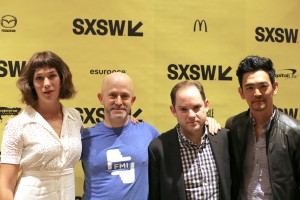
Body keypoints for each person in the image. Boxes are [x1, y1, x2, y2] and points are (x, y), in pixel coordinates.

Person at [0, 51, 82, 200]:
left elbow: (97, 137)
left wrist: (126, 121)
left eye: (52, 75)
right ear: (31, 84)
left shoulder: (75, 118)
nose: (46, 83)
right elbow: (5, 183)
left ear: (62, 79)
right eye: (39, 78)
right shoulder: (17, 125)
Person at [225, 55, 300, 199]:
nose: (257, 93)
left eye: (263, 86)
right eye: (250, 88)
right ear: (241, 92)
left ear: (275, 87)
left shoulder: (294, 132)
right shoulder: (234, 126)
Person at [80, 72, 160, 200]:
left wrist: (203, 126)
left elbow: (176, 148)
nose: (118, 102)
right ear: (101, 98)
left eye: (124, 96)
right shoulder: (85, 137)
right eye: (112, 95)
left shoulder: (148, 132)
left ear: (132, 100)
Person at [148, 80, 231, 200]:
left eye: (196, 107)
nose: (191, 115)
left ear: (206, 105)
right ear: (173, 110)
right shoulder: (158, 148)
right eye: (183, 109)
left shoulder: (224, 138)